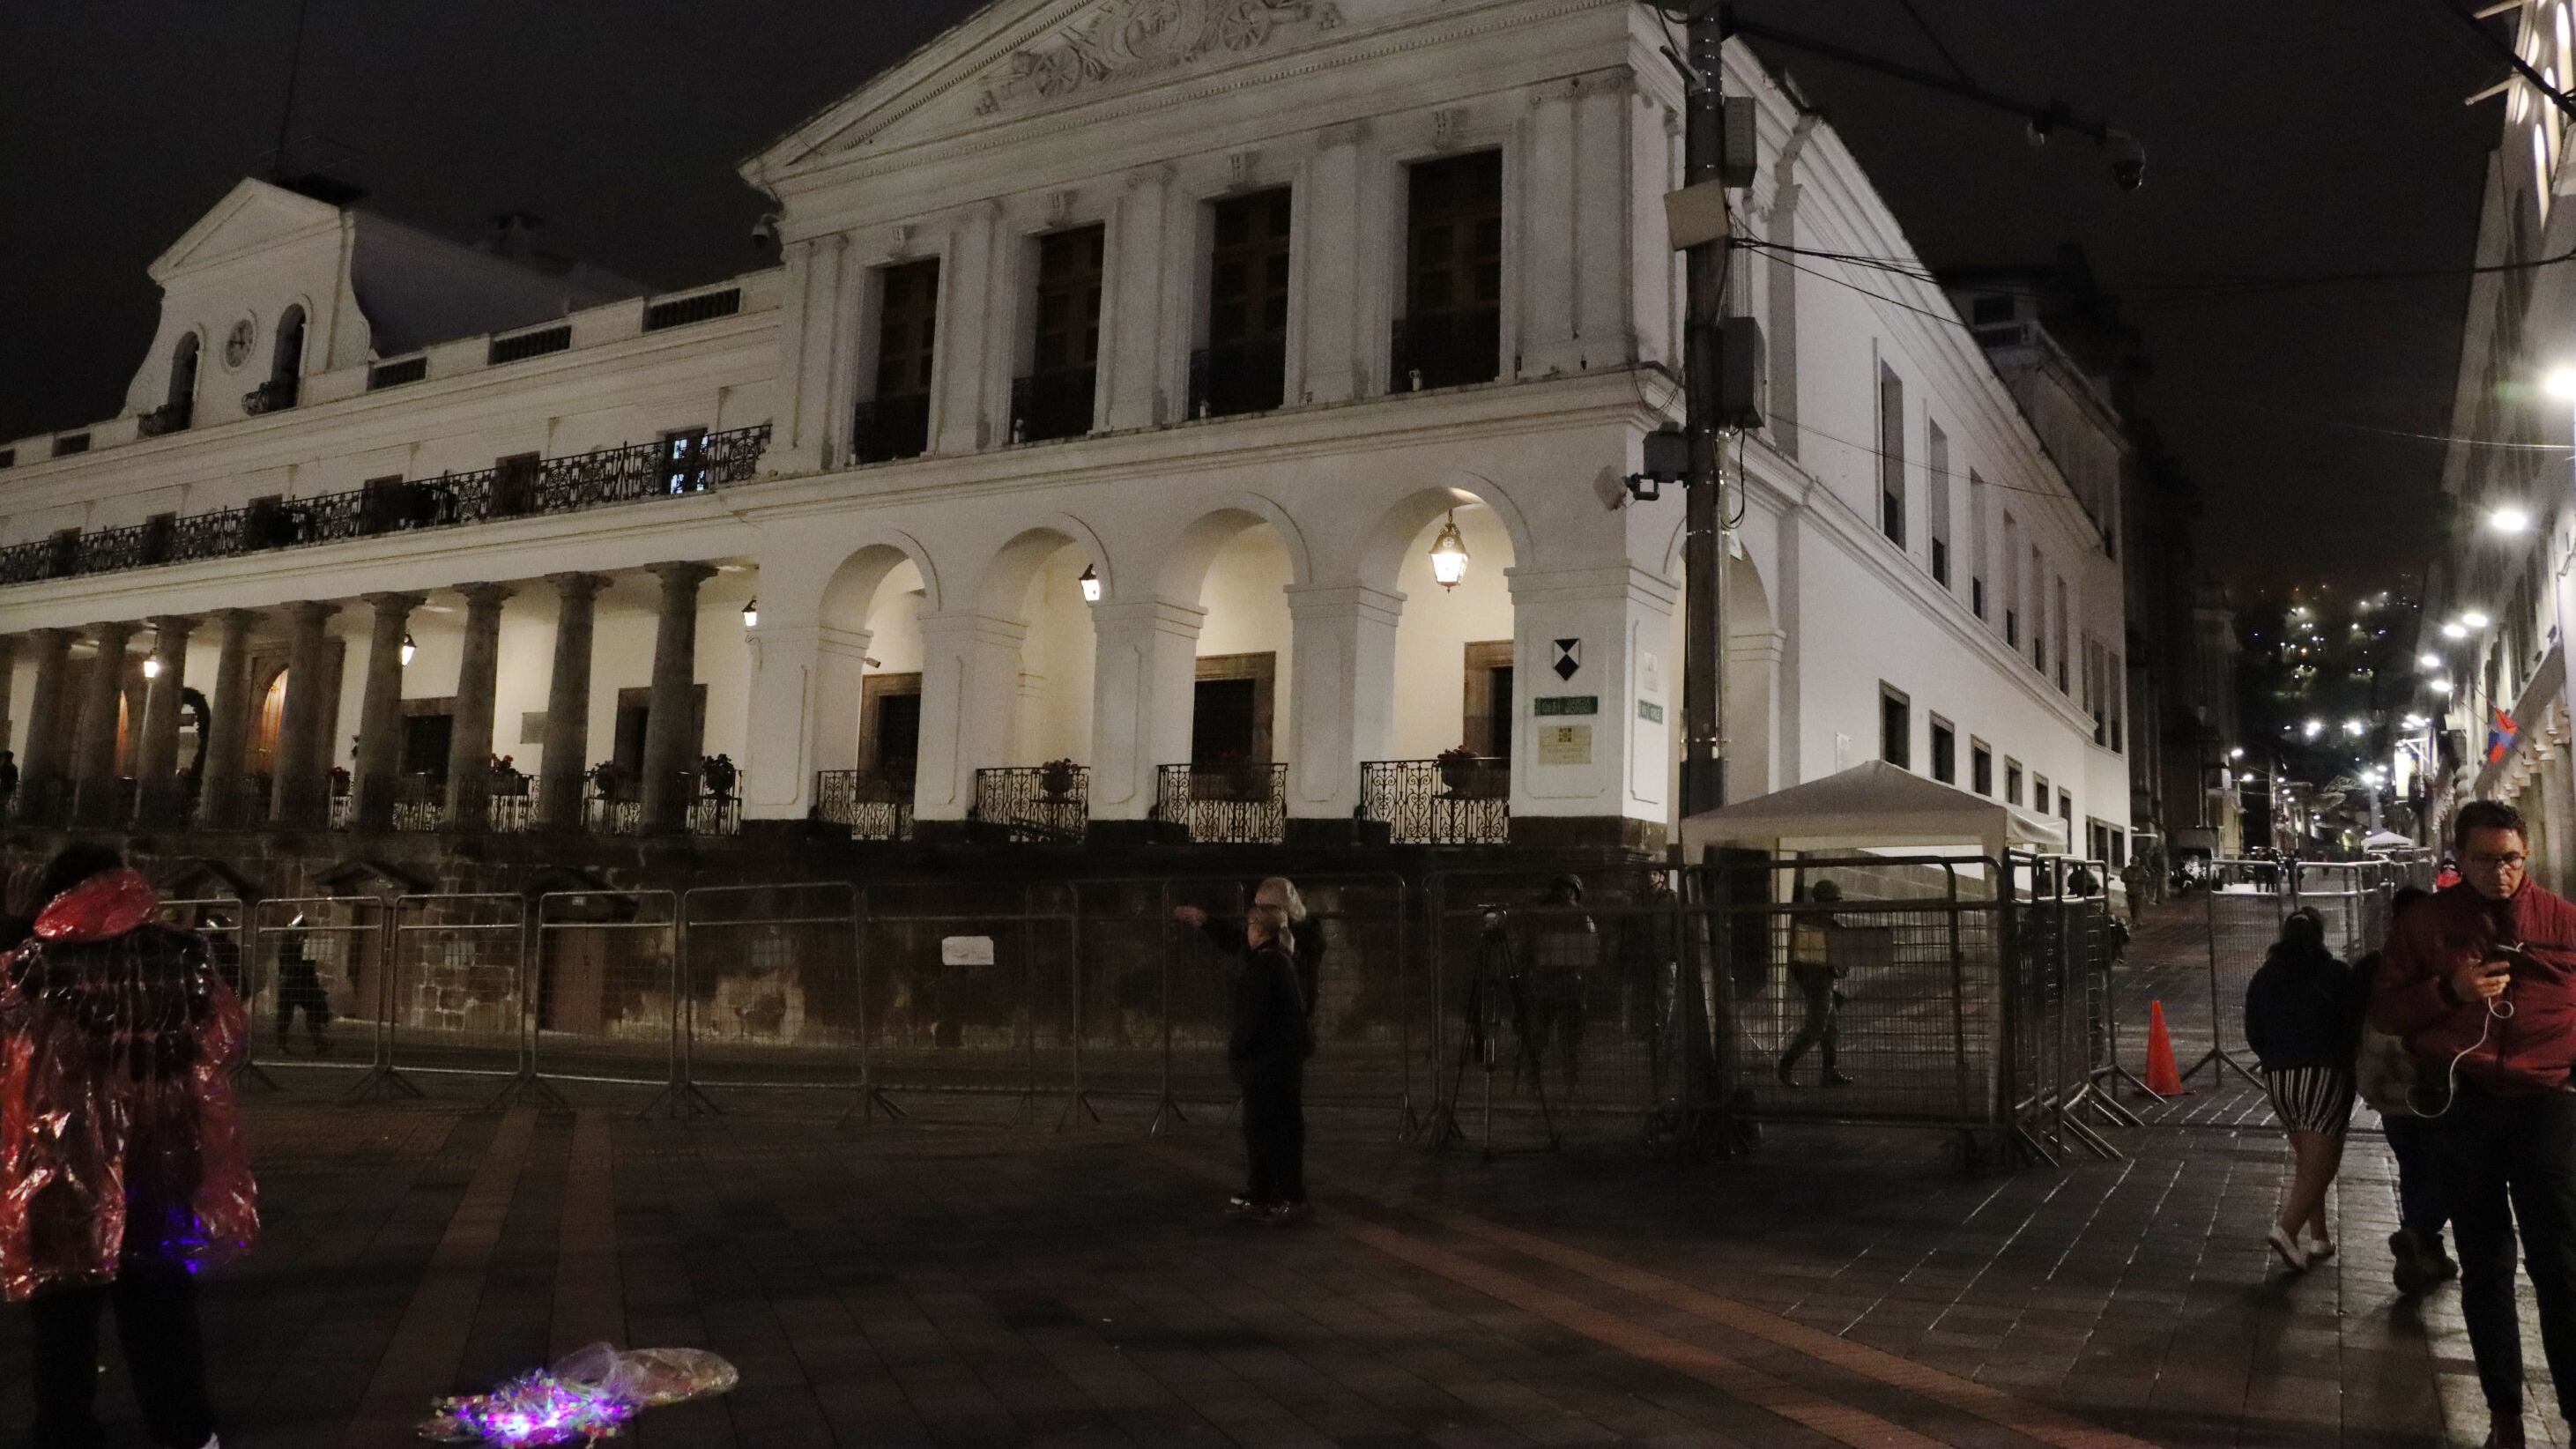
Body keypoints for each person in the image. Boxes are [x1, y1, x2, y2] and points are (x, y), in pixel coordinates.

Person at [3, 843, 256, 1449]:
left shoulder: (36, 964)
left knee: (64, 1308)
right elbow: (222, 1038)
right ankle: (184, 1427)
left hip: (63, 1162)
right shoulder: (185, 956)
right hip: (164, 1153)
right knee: (162, 1301)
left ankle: (65, 1430)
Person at [2372, 799, 2576, 1449]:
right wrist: (2449, 993)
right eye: (2485, 859)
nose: (2501, 872)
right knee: (2484, 1263)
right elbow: (2385, 1011)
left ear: (2526, 854)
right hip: (2465, 1103)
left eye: (2511, 858)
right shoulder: (2427, 924)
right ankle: (2503, 1412)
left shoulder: (2562, 920)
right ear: (2458, 857)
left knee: (2562, 1266)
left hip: (2546, 1103)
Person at [2243, 907, 2361, 1272]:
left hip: (2280, 1079)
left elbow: (2254, 1030)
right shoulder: (2336, 974)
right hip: (2324, 1075)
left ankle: (2320, 1236)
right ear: (2319, 938)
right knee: (2322, 1164)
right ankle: (2287, 1229)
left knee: (2309, 1162)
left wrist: (2274, 1057)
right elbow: (2352, 1024)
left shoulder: (2264, 977)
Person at [2352, 886, 2455, 1296]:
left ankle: (2425, 1252)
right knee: (2445, 1169)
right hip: (2430, 1089)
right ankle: (2418, 1232)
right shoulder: (2436, 967)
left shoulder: (2374, 965)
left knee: (2413, 1166)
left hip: (2387, 1090)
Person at [1225, 903, 1312, 1227]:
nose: (1247, 932)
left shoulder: (1264, 966)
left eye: (1250, 926)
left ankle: (1288, 1195)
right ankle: (1264, 1193)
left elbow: (1253, 1018)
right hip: (1279, 1062)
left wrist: (1237, 1051)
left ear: (1261, 930)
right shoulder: (1282, 962)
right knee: (1268, 1129)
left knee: (1269, 1130)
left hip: (1267, 1063)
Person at [1173, 877, 1325, 1022]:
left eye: (1262, 907)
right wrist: (1207, 922)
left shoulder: (1293, 937)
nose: (1257, 912)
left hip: (1286, 1018)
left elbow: (1240, 944)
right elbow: (1237, 941)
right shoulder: (1279, 934)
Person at [1778, 881, 1852, 1087]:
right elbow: (1827, 962)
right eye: (1834, 901)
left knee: (1830, 1029)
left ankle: (1829, 1071)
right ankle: (1786, 1065)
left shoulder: (1810, 923)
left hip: (1818, 983)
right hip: (1819, 984)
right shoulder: (1819, 925)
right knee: (1816, 1028)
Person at [272, 917, 333, 1055]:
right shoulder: (287, 943)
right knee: (284, 1016)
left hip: (304, 983)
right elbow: (286, 962)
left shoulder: (304, 944)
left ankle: (319, 1043)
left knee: (313, 1013)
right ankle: (281, 1046)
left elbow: (310, 966)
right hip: (291, 983)